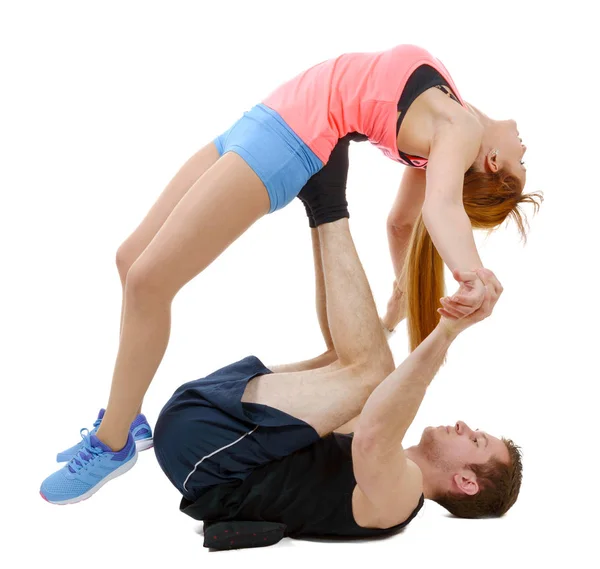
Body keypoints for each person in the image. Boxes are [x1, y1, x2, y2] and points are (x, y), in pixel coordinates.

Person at [40, 43, 539, 502]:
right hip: (267, 117)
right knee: (132, 258)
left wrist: (470, 272)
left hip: (292, 141)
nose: (526, 149)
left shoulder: (462, 129)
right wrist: (403, 293)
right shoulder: (447, 124)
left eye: (521, 164)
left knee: (150, 281)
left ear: (492, 162)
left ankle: (112, 444)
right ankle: (129, 419)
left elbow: (442, 205)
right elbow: (401, 223)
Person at [146, 215, 519, 548]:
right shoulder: (376, 457)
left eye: (475, 440)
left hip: (209, 453)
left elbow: (376, 431)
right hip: (207, 424)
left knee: (372, 379)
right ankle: (320, 199)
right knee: (355, 373)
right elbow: (346, 365)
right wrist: (387, 325)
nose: (463, 426)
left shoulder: (400, 501)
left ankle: (327, 200)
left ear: (466, 483)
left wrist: (448, 331)